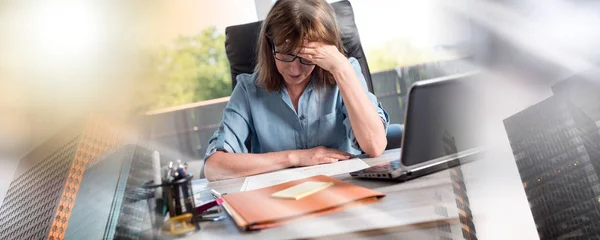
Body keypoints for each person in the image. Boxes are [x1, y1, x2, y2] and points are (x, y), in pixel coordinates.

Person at [203, 0, 389, 181]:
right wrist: (295, 157)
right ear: (270, 46)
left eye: (307, 57)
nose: (294, 70)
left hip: (345, 189)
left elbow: (374, 146)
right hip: (279, 199)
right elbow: (214, 167)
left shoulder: (345, 72)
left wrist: (341, 68)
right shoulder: (248, 89)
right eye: (285, 54)